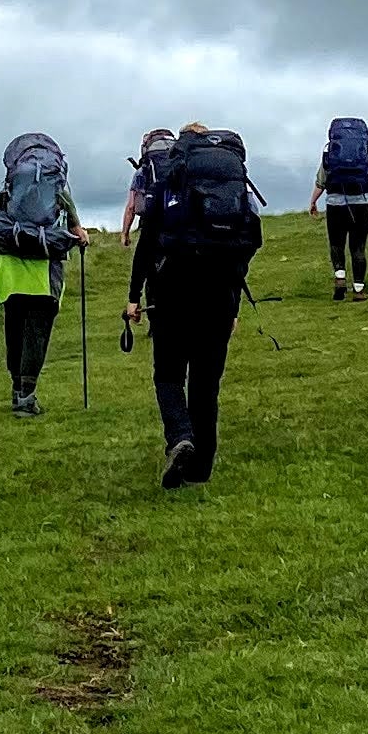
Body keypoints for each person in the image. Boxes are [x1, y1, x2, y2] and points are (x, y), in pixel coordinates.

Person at [124, 121, 260, 489]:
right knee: (206, 384)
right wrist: (233, 309)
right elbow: (245, 249)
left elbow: (146, 245)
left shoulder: (168, 185)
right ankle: (200, 469)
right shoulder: (234, 189)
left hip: (171, 296)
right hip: (219, 297)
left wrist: (134, 296)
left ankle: (180, 436)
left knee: (168, 375)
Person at [0, 131, 83, 418]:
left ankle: (16, 390)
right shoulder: (58, 187)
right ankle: (27, 397)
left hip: (10, 270)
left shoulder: (10, 187)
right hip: (44, 269)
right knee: (37, 333)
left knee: (14, 329)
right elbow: (72, 222)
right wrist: (80, 235)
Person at [306, 116, 368, 301]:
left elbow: (321, 181)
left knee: (336, 243)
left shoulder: (330, 154)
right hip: (363, 204)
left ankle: (340, 278)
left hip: (335, 204)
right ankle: (359, 290)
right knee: (358, 247)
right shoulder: (367, 157)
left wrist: (313, 202)